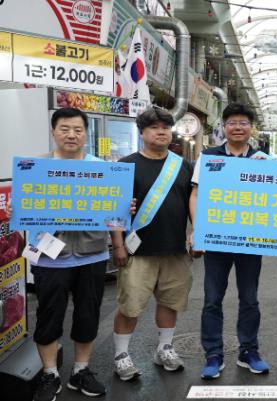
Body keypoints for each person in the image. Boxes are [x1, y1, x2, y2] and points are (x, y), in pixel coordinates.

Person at [11, 108, 132, 401]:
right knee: (49, 316)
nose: (71, 135)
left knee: (88, 315)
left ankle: (81, 370)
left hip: (92, 255)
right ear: (53, 131)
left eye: (78, 130)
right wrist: (18, 207)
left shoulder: (103, 169)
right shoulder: (35, 168)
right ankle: (50, 374)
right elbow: (23, 208)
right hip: (49, 257)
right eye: (64, 129)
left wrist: (120, 228)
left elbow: (114, 214)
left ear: (86, 134)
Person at [111, 106, 194, 381]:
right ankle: (121, 355)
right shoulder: (125, 165)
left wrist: (197, 235)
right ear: (142, 132)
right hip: (137, 252)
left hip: (175, 249)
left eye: (166, 127)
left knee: (170, 302)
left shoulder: (183, 166)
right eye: (155, 127)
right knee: (130, 306)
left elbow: (194, 204)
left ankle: (165, 348)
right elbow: (115, 209)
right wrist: (118, 245)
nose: (161, 132)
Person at [189, 103, 269, 379]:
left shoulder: (263, 159)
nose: (237, 127)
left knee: (250, 299)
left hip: (250, 241)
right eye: (232, 122)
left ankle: (249, 351)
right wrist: (198, 230)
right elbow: (196, 195)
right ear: (223, 127)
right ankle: (213, 354)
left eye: (243, 122)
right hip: (217, 240)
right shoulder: (208, 157)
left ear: (251, 128)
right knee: (212, 299)